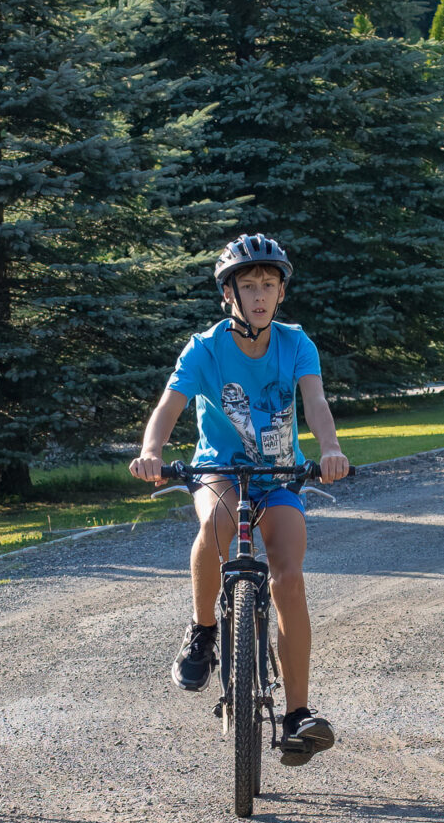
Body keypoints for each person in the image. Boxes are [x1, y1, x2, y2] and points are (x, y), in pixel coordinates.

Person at [128, 234, 350, 766]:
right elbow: (169, 404)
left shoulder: (296, 343)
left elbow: (315, 403)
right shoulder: (205, 348)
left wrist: (331, 448)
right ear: (228, 294)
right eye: (248, 286)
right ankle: (204, 630)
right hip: (220, 471)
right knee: (215, 529)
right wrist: (150, 451)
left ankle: (297, 715)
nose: (258, 295)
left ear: (280, 293)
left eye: (268, 285)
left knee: (288, 578)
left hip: (277, 477)